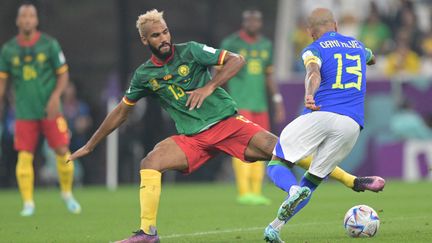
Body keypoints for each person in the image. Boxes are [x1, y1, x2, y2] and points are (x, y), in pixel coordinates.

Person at [69, 9, 384, 243]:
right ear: (144, 40)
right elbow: (122, 112)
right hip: (192, 137)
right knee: (150, 162)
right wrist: (91, 144)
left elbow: (236, 60)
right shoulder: (143, 76)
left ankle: (352, 181)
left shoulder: (191, 50)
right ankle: (148, 233)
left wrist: (209, 87)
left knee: (283, 150)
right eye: (156, 35)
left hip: (229, 124)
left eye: (165, 31)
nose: (164, 38)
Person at [263, 8, 383, 243]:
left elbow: (313, 71)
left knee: (277, 161)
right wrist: (367, 57)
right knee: (312, 181)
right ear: (336, 26)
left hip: (322, 114)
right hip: (351, 126)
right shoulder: (357, 46)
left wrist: (309, 94)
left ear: (310, 32)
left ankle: (292, 191)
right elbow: (372, 57)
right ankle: (274, 229)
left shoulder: (313, 49)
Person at [0, 3, 81, 216]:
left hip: (51, 110)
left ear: (36, 20)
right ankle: (28, 203)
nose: (27, 19)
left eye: (31, 16)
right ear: (18, 21)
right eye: (23, 16)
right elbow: (2, 81)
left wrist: (55, 97)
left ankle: (67, 193)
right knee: (24, 156)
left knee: (63, 150)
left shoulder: (49, 45)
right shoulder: (8, 50)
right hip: (24, 112)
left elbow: (63, 74)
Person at [220, 9, 285, 206]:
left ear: (260, 23)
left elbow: (268, 75)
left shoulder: (266, 45)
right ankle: (243, 191)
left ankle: (256, 191)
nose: (253, 24)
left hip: (260, 105)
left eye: (257, 20)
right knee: (242, 146)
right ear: (244, 22)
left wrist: (277, 99)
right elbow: (218, 73)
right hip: (239, 103)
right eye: (250, 20)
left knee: (263, 146)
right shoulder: (231, 44)